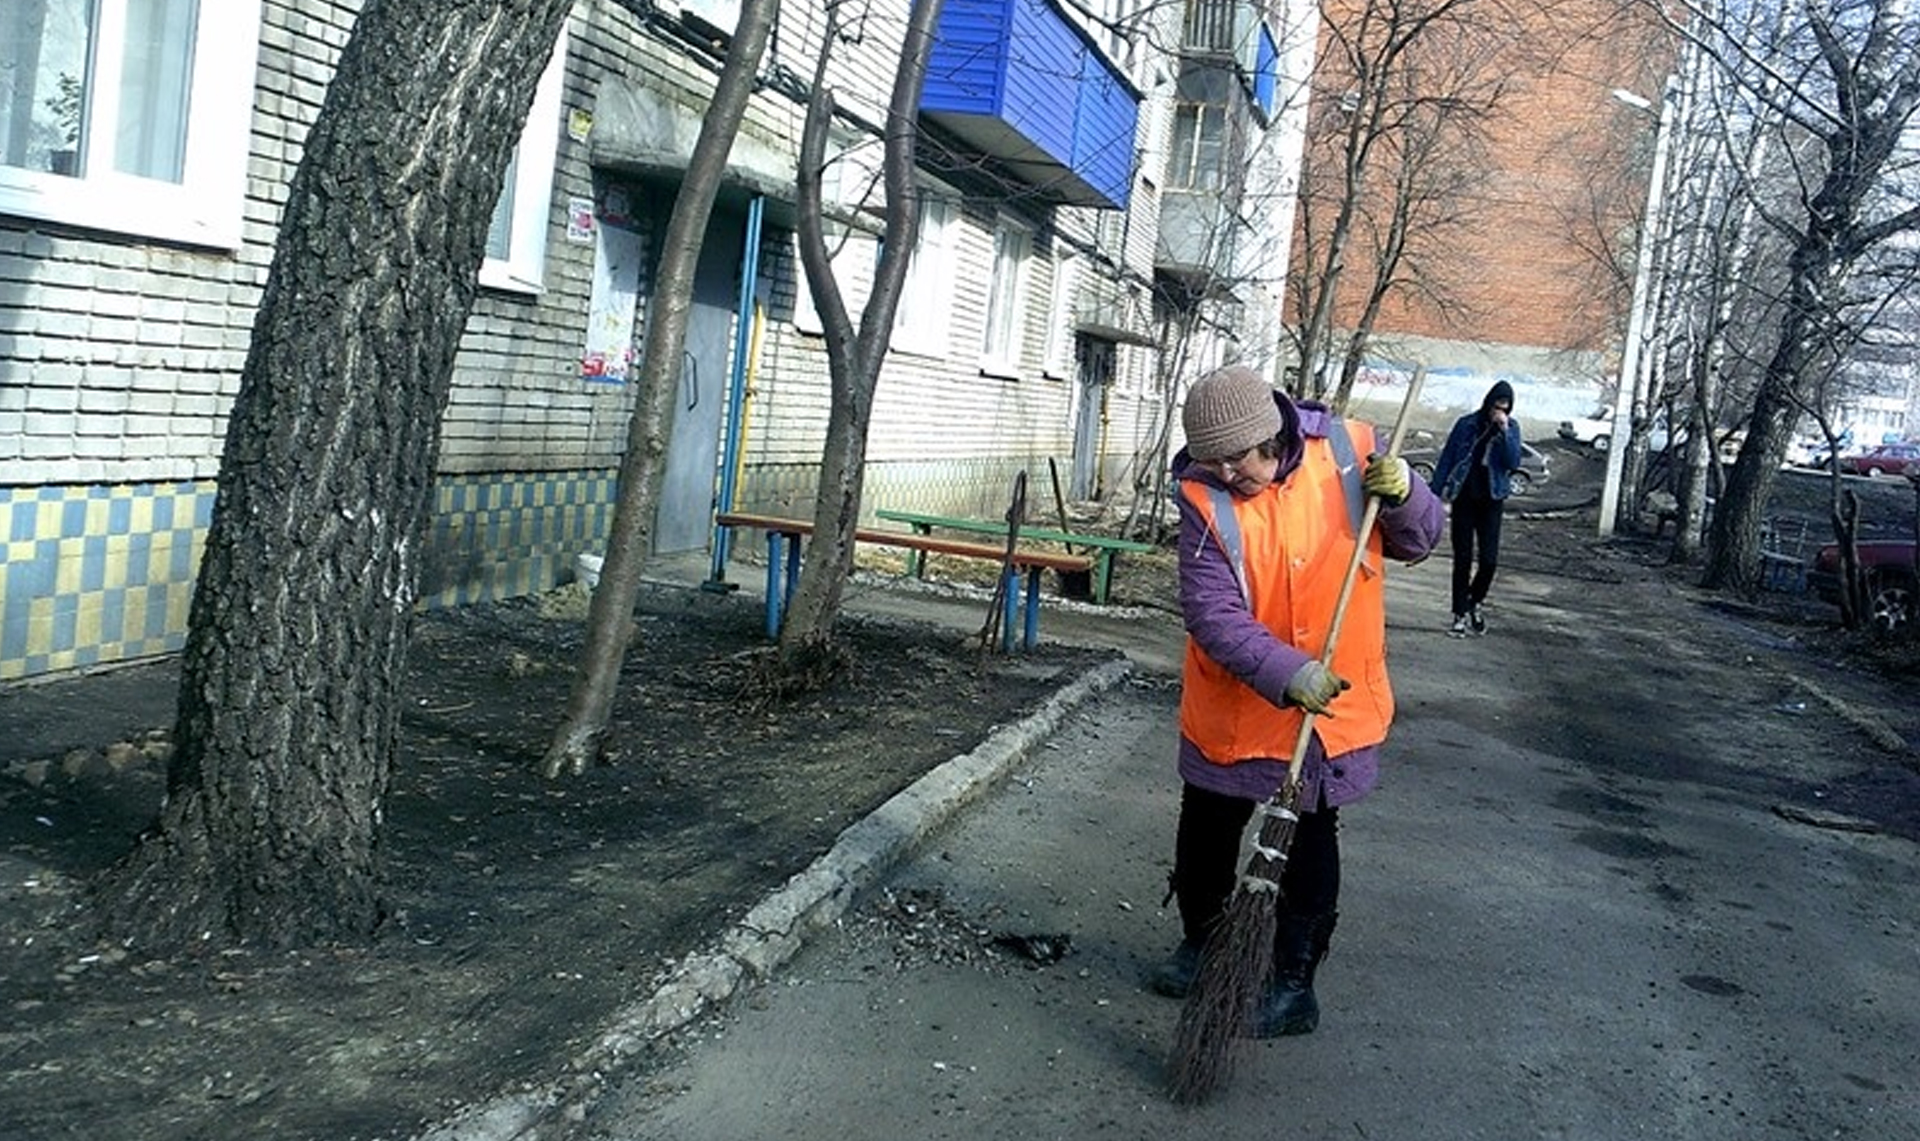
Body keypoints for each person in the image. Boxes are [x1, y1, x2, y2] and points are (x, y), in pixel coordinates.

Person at [1150, 364, 1444, 1037]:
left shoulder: (1348, 453)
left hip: (1331, 706)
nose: (1224, 475)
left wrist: (1407, 497)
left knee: (1310, 839)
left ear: (1272, 439)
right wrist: (1287, 672)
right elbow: (1213, 613)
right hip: (1239, 701)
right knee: (1207, 829)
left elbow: (1420, 540)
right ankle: (1202, 943)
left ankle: (1291, 984)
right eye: (1210, 462)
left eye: (1235, 461)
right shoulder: (1202, 499)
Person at [1428, 380, 1522, 636]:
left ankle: (1475, 602)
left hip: (1492, 500)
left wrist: (1504, 432)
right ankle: (1459, 614)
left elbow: (1512, 462)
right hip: (1465, 497)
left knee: (1489, 560)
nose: (1499, 411)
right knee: (1463, 558)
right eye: (1496, 406)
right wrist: (1434, 495)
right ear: (1488, 403)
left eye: (1505, 408)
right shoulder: (1467, 424)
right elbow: (1448, 457)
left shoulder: (1511, 428)